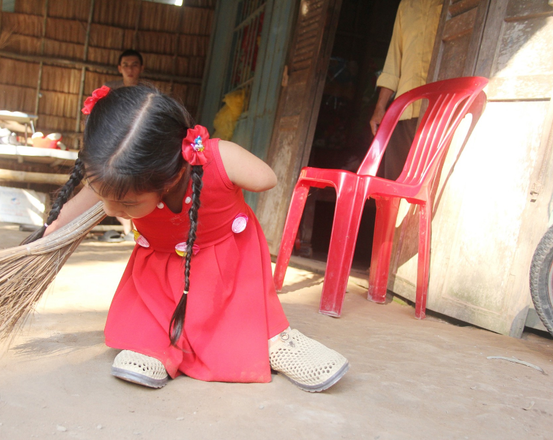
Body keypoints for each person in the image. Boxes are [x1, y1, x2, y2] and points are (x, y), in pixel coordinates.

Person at [35, 85, 349, 392]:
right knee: (149, 320)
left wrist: (220, 155)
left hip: (225, 263)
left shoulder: (214, 160)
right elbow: (69, 215)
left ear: (170, 178)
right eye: (103, 195)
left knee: (243, 324)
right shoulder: (117, 179)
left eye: (126, 203)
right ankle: (154, 349)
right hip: (159, 270)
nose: (110, 208)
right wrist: (44, 241)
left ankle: (278, 342)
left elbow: (267, 178)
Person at [369, 0, 443, 180]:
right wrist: (380, 107)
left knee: (429, 185)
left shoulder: (452, 6)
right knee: (394, 185)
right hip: (404, 113)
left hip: (439, 114)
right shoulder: (407, 6)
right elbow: (394, 61)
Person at [104, 49, 148, 240]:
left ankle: (136, 229)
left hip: (139, 143)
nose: (130, 69)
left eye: (134, 65)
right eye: (126, 65)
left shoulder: (148, 91)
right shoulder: (109, 90)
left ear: (141, 68)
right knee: (114, 183)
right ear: (119, 68)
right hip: (114, 143)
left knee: (137, 184)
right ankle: (127, 230)